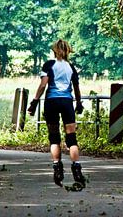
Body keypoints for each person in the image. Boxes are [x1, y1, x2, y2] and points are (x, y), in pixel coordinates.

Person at [27, 39, 86, 188]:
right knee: (71, 138)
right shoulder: (71, 67)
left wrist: (34, 102)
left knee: (54, 138)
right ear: (68, 51)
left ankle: (57, 169)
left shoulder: (49, 65)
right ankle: (77, 170)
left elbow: (43, 84)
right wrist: (78, 103)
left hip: (52, 102)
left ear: (54, 51)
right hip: (67, 102)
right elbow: (76, 88)